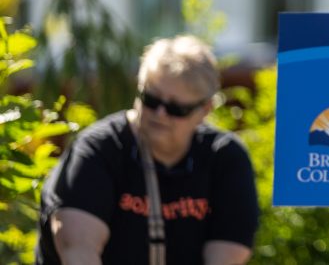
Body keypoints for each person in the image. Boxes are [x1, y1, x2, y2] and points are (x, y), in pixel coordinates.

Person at [36, 35, 259, 265]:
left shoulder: (225, 158)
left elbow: (226, 258)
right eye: (151, 99)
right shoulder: (98, 150)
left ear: (205, 109)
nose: (160, 114)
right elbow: (78, 251)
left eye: (176, 108)